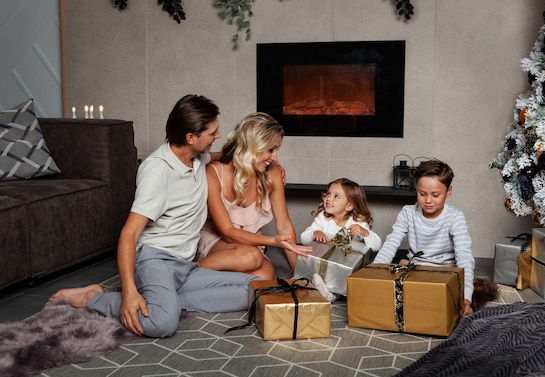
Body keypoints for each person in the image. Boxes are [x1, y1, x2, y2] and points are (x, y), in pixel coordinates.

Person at [48, 95, 260, 338]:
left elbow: (224, 156)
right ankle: (93, 298)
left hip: (185, 266)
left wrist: (269, 165)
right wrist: (128, 293)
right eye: (212, 133)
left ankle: (163, 299)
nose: (218, 136)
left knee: (253, 288)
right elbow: (129, 234)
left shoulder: (197, 157)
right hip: (154, 260)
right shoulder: (156, 172)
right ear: (190, 138)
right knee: (162, 323)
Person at [196, 112, 313, 280]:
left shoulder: (272, 173)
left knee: (265, 277)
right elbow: (228, 232)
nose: (275, 158)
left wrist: (300, 275)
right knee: (252, 257)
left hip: (251, 244)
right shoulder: (213, 174)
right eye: (271, 150)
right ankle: (187, 272)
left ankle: (209, 283)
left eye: (276, 150)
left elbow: (284, 226)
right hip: (218, 241)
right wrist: (273, 241)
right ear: (252, 147)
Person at [372, 159, 475, 316]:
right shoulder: (408, 212)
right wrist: (375, 270)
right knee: (390, 294)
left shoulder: (455, 217)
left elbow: (464, 255)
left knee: (444, 303)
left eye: (435, 195)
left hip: (444, 270)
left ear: (449, 191)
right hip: (414, 268)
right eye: (422, 194)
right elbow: (391, 242)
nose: (427, 200)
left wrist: (466, 294)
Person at [300, 178, 382, 302]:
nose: (329, 198)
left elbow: (377, 246)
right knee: (315, 269)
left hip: (346, 265)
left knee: (342, 277)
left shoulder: (357, 222)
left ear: (349, 206)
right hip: (324, 264)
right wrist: (314, 233)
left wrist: (365, 233)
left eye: (336, 196)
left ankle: (331, 294)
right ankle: (323, 290)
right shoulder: (323, 218)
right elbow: (303, 239)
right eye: (328, 194)